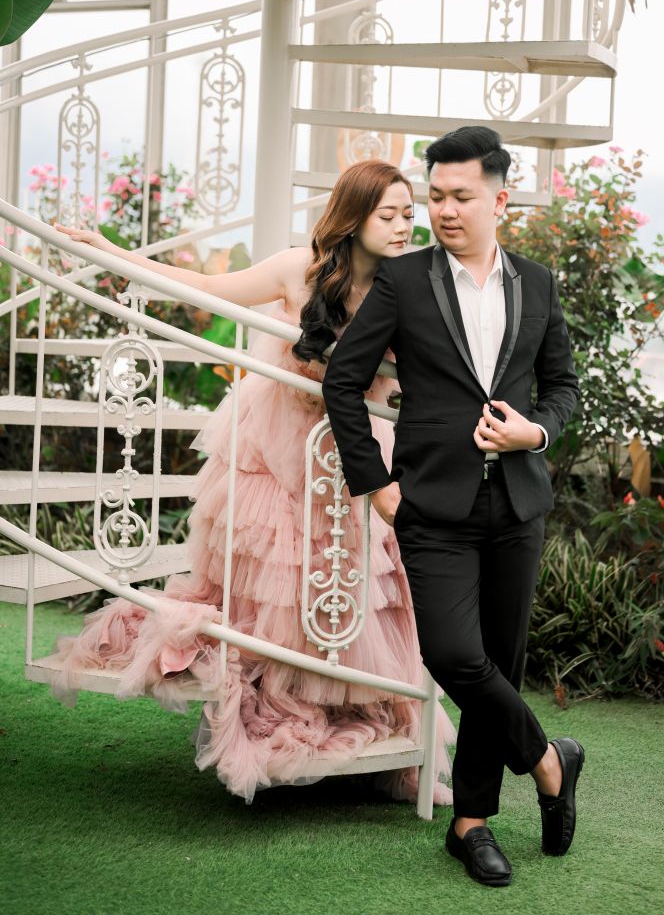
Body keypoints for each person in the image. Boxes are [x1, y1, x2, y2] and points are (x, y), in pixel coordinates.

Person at [50, 159, 455, 806]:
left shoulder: (406, 285)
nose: (405, 226)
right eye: (389, 214)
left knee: (351, 581)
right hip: (277, 445)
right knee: (277, 583)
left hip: (353, 451)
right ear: (354, 218)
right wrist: (110, 252)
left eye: (410, 214)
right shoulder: (299, 269)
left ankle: (356, 712)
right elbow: (209, 288)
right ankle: (283, 698)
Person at [322, 126, 584, 887]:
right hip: (432, 505)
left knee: (499, 663)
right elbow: (343, 380)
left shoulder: (537, 283)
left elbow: (563, 388)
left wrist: (536, 431)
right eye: (435, 195)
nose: (443, 210)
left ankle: (470, 822)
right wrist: (375, 481)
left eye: (460, 196)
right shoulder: (404, 280)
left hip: (519, 505)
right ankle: (550, 761)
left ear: (500, 200)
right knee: (452, 655)